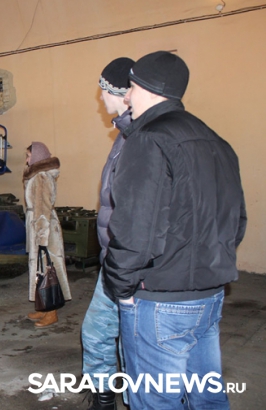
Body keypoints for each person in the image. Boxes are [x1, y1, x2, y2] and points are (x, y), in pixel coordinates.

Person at [103, 51, 247, 408]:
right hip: (209, 295)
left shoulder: (147, 139)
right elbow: (236, 221)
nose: (127, 97)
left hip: (160, 301)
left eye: (131, 88)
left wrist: (121, 288)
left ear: (149, 89)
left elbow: (135, 228)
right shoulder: (216, 141)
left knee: (155, 400)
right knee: (207, 397)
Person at [81, 57, 134, 410]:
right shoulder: (123, 136)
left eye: (104, 90)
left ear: (122, 92)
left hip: (130, 262)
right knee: (97, 331)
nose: (101, 97)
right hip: (114, 260)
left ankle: (134, 399)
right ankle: (104, 398)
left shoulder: (141, 138)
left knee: (131, 342)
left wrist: (129, 261)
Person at [23, 142, 72, 328]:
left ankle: (52, 312)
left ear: (37, 156)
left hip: (43, 229)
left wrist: (42, 238)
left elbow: (42, 209)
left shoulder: (41, 177)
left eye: (29, 155)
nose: (27, 160)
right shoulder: (37, 176)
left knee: (48, 269)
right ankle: (44, 307)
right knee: (40, 269)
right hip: (38, 227)